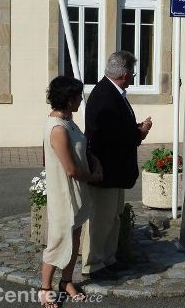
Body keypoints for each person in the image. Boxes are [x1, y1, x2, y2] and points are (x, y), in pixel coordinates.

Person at [82, 51, 152, 280]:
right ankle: (93, 264)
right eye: (132, 72)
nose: (133, 76)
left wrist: (135, 131)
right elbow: (107, 136)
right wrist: (138, 133)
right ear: (124, 74)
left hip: (115, 170)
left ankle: (108, 259)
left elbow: (117, 130)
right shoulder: (104, 95)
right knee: (101, 219)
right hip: (106, 170)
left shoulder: (114, 92)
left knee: (113, 217)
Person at [40, 76, 102, 308]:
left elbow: (81, 149)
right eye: (77, 97)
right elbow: (71, 169)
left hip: (75, 192)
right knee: (58, 240)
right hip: (64, 193)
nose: (80, 100)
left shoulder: (69, 122)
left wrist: (94, 159)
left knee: (74, 237)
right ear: (68, 100)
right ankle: (45, 289)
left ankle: (66, 281)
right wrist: (94, 176)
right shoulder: (57, 128)